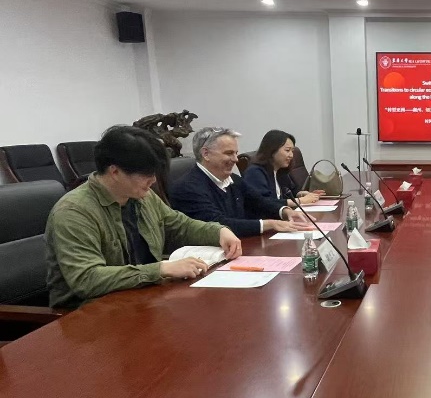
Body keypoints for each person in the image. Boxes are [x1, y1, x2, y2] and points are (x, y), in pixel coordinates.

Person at [45, 125, 242, 309]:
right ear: (115, 171)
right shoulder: (74, 212)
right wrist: (161, 269)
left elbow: (179, 225)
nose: (153, 181)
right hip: (89, 313)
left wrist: (218, 231)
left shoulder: (142, 196)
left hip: (141, 298)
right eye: (146, 174)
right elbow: (87, 279)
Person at [170, 127, 305, 237]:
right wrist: (270, 224)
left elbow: (259, 201)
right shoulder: (187, 188)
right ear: (206, 154)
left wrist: (284, 211)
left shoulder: (234, 180)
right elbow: (218, 224)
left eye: (236, 153)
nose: (236, 159)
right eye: (229, 153)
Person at [242, 130, 323, 210]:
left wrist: (302, 194)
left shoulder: (280, 171)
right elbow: (264, 203)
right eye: (287, 150)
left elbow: (290, 192)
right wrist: (300, 201)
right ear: (272, 150)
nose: (291, 155)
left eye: (292, 151)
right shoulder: (255, 172)